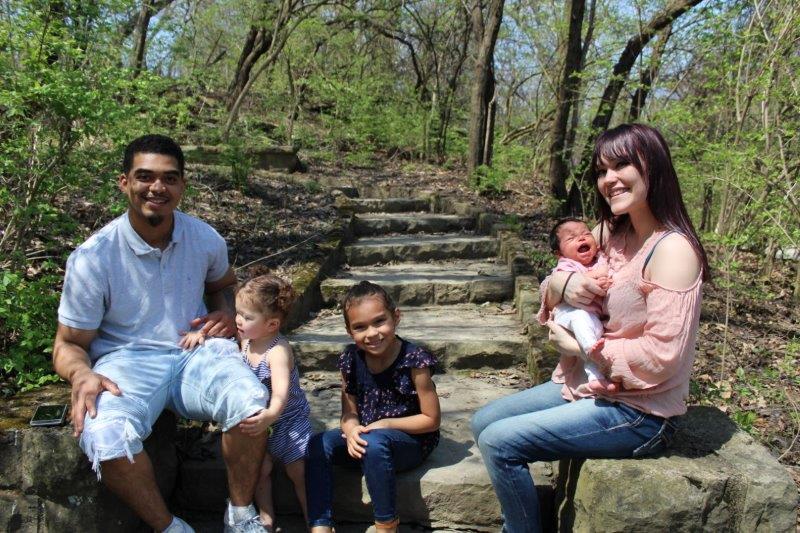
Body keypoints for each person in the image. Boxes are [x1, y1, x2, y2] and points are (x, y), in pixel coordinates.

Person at [471, 123, 710, 533]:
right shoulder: (612, 231)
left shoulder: (673, 250)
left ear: (653, 166)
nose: (608, 179)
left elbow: (662, 358)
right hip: (584, 384)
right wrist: (564, 284)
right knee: (482, 422)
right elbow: (553, 279)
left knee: (499, 441)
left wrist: (583, 348)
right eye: (601, 170)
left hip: (639, 410)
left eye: (621, 165)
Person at [53, 134, 272, 533]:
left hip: (196, 352)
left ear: (182, 185)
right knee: (105, 434)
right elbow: (68, 343)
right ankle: (170, 527)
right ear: (124, 182)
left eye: (169, 178)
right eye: (145, 176)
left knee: (250, 400)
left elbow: (223, 284)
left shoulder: (204, 238)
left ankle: (240, 514)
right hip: (126, 363)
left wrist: (225, 312)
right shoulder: (93, 257)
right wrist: (81, 373)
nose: (157, 187)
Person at [305, 281, 441, 533]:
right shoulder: (350, 360)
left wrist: (385, 424)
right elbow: (349, 411)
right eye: (360, 327)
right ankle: (321, 524)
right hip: (367, 437)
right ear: (349, 331)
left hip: (411, 441)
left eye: (379, 322)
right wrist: (351, 428)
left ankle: (386, 524)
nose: (371, 333)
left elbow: (431, 420)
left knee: (374, 443)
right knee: (318, 444)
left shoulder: (414, 360)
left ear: (396, 317)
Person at [232, 274, 311, 531]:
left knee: (298, 471)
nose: (238, 320)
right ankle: (266, 517)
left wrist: (271, 414)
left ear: (272, 324)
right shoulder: (246, 342)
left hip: (288, 420)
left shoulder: (277, 351)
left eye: (247, 317)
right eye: (238, 313)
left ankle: (314, 519)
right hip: (262, 421)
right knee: (260, 470)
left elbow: (280, 393)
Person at [547, 217, 615, 393]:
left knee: (595, 334)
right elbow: (571, 280)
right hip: (569, 313)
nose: (581, 238)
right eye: (571, 238)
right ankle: (591, 352)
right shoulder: (566, 264)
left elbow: (608, 271)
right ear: (559, 254)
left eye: (586, 234)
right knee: (582, 321)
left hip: (592, 316)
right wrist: (597, 277)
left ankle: (596, 379)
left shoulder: (600, 258)